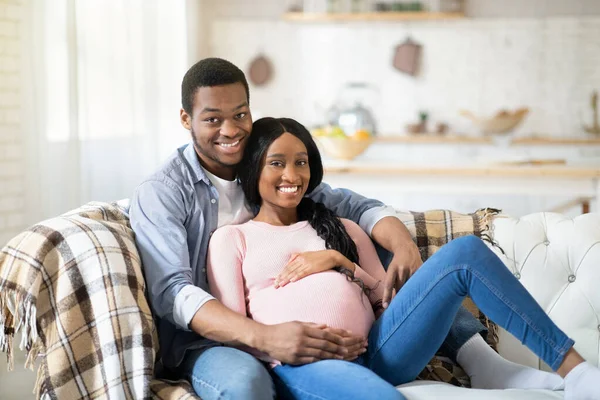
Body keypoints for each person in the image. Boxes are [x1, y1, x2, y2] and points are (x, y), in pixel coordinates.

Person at [130, 57, 563, 399]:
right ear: (186, 120)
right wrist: (266, 339)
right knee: (245, 383)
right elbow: (173, 292)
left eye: (239, 114)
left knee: (384, 244)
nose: (230, 130)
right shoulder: (165, 192)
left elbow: (357, 206)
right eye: (212, 119)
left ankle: (481, 359)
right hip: (212, 341)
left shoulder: (261, 166)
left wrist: (402, 247)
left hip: (358, 338)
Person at [207, 116, 600, 400]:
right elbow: (234, 333)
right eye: (277, 162)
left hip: (378, 349)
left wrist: (340, 263)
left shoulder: (341, 226)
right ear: (253, 168)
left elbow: (386, 296)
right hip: (302, 365)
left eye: (301, 161)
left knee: (464, 252)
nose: (291, 173)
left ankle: (577, 371)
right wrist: (292, 344)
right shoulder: (232, 239)